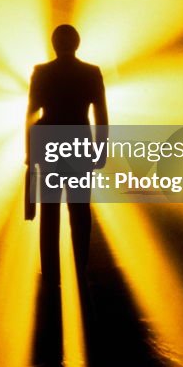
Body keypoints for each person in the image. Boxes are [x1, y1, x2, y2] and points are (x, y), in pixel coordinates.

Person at [25, 24, 108, 288]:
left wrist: (29, 152)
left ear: (54, 43)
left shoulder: (42, 72)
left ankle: (51, 274)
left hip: (48, 144)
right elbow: (101, 115)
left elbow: (31, 114)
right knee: (80, 210)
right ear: (77, 43)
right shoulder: (91, 73)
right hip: (79, 144)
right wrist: (101, 149)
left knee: (49, 212)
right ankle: (81, 268)